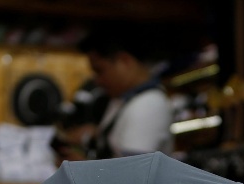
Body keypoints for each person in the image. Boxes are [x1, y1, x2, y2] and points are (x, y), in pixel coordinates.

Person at [53, 22, 174, 161]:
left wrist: (82, 166)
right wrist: (90, 136)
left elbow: (131, 175)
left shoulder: (149, 105)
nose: (97, 81)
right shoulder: (125, 99)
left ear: (124, 61)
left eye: (100, 70)